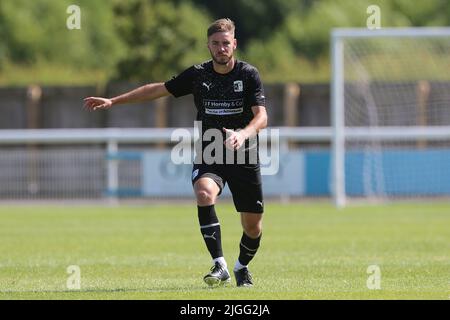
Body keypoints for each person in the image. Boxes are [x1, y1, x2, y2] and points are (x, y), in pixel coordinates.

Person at [84, 18, 267, 287]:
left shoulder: (248, 74)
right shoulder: (198, 74)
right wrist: (114, 100)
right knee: (204, 192)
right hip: (211, 151)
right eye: (215, 44)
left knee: (253, 227)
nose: (221, 48)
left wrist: (242, 134)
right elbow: (158, 89)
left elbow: (261, 117)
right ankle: (220, 265)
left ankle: (242, 266)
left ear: (234, 44)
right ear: (208, 45)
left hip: (243, 153)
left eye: (225, 43)